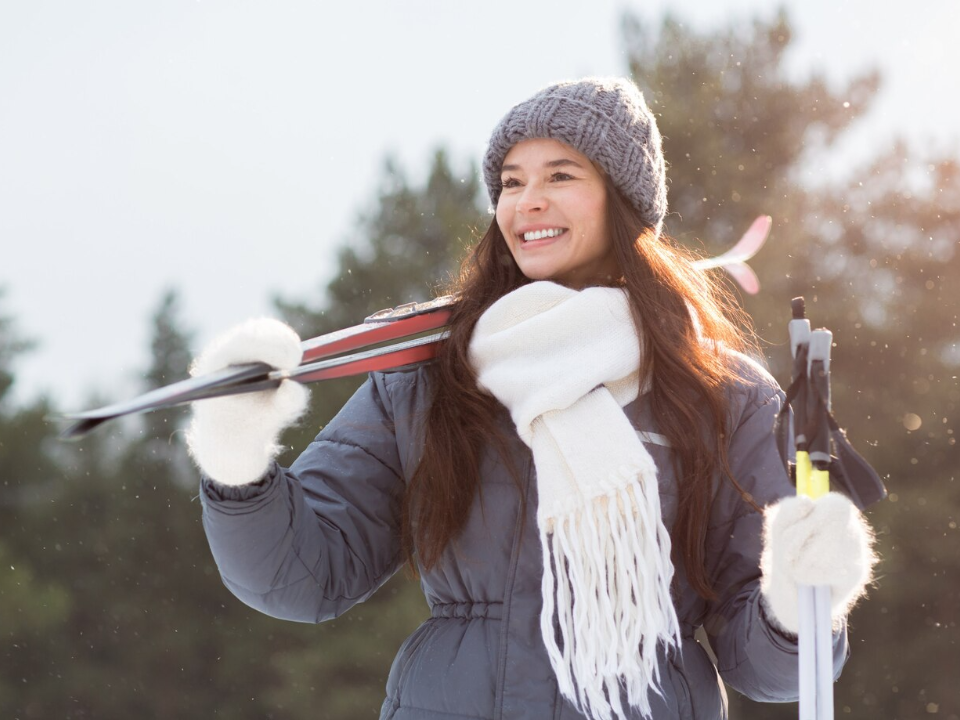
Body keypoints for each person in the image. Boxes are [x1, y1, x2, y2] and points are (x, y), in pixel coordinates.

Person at [188, 77, 877, 720]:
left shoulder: (720, 396)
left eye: (560, 176)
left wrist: (797, 602)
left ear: (623, 198)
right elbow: (304, 574)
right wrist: (237, 455)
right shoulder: (433, 379)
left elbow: (766, 668)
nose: (527, 201)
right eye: (511, 183)